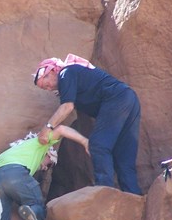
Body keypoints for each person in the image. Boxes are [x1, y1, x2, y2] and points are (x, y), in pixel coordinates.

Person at [34, 54, 142, 195]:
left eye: (45, 82)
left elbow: (67, 107)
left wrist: (47, 127)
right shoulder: (70, 78)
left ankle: (104, 192)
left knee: (97, 145)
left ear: (53, 71)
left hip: (115, 99)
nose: (48, 88)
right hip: (129, 98)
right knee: (124, 155)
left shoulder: (66, 73)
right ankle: (133, 196)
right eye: (45, 89)